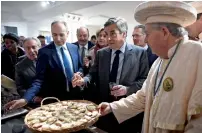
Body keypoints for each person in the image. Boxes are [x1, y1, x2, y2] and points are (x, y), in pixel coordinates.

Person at [98, 1, 202, 133]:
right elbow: (143, 98)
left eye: (147, 34)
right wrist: (112, 107)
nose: (145, 40)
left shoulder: (197, 54)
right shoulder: (159, 61)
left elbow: (198, 123)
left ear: (164, 32)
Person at [72, 17, 149, 132]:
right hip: (104, 106)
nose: (108, 38)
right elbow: (93, 73)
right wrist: (84, 80)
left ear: (124, 34)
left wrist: (127, 89)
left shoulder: (140, 53)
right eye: (106, 34)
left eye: (112, 34)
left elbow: (144, 80)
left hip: (127, 110)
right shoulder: (101, 53)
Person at [4, 20, 83, 110]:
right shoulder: (44, 52)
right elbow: (39, 79)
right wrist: (26, 99)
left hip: (76, 94)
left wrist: (79, 74)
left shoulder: (74, 48)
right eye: (54, 35)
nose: (57, 38)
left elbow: (80, 67)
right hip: (55, 100)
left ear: (67, 33)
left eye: (61, 35)